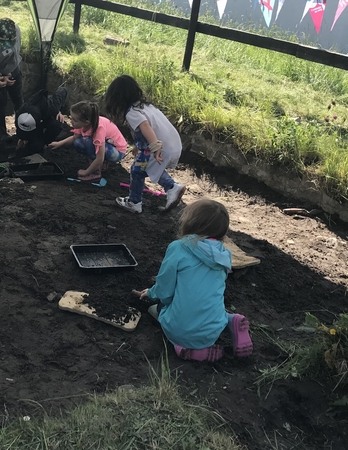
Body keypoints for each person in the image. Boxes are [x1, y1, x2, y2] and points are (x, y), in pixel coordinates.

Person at [137, 199, 253, 362]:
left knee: (157, 311)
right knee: (210, 306)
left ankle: (186, 349)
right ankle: (230, 320)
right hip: (213, 329)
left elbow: (165, 289)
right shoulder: (224, 255)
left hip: (181, 329)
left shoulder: (178, 247)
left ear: (190, 223)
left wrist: (151, 293)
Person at [104, 75, 185, 214]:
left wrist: (155, 146)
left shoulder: (132, 112)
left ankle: (141, 199)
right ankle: (141, 199)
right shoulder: (146, 106)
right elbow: (145, 129)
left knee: (138, 170)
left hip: (159, 147)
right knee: (142, 170)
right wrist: (138, 145)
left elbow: (146, 126)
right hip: (173, 144)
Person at [47, 101, 127, 182]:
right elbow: (74, 138)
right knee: (78, 143)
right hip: (107, 145)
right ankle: (100, 166)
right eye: (71, 118)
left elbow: (100, 158)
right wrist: (59, 144)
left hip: (117, 151)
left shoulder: (98, 129)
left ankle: (96, 173)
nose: (71, 122)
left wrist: (86, 172)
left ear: (86, 122)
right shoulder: (86, 123)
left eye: (74, 120)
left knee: (89, 142)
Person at [15, 87, 68, 154]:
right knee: (33, 144)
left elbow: (63, 90)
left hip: (48, 115)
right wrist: (22, 137)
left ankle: (45, 142)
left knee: (56, 124)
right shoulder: (19, 113)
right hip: (38, 115)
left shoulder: (52, 105)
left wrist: (59, 110)